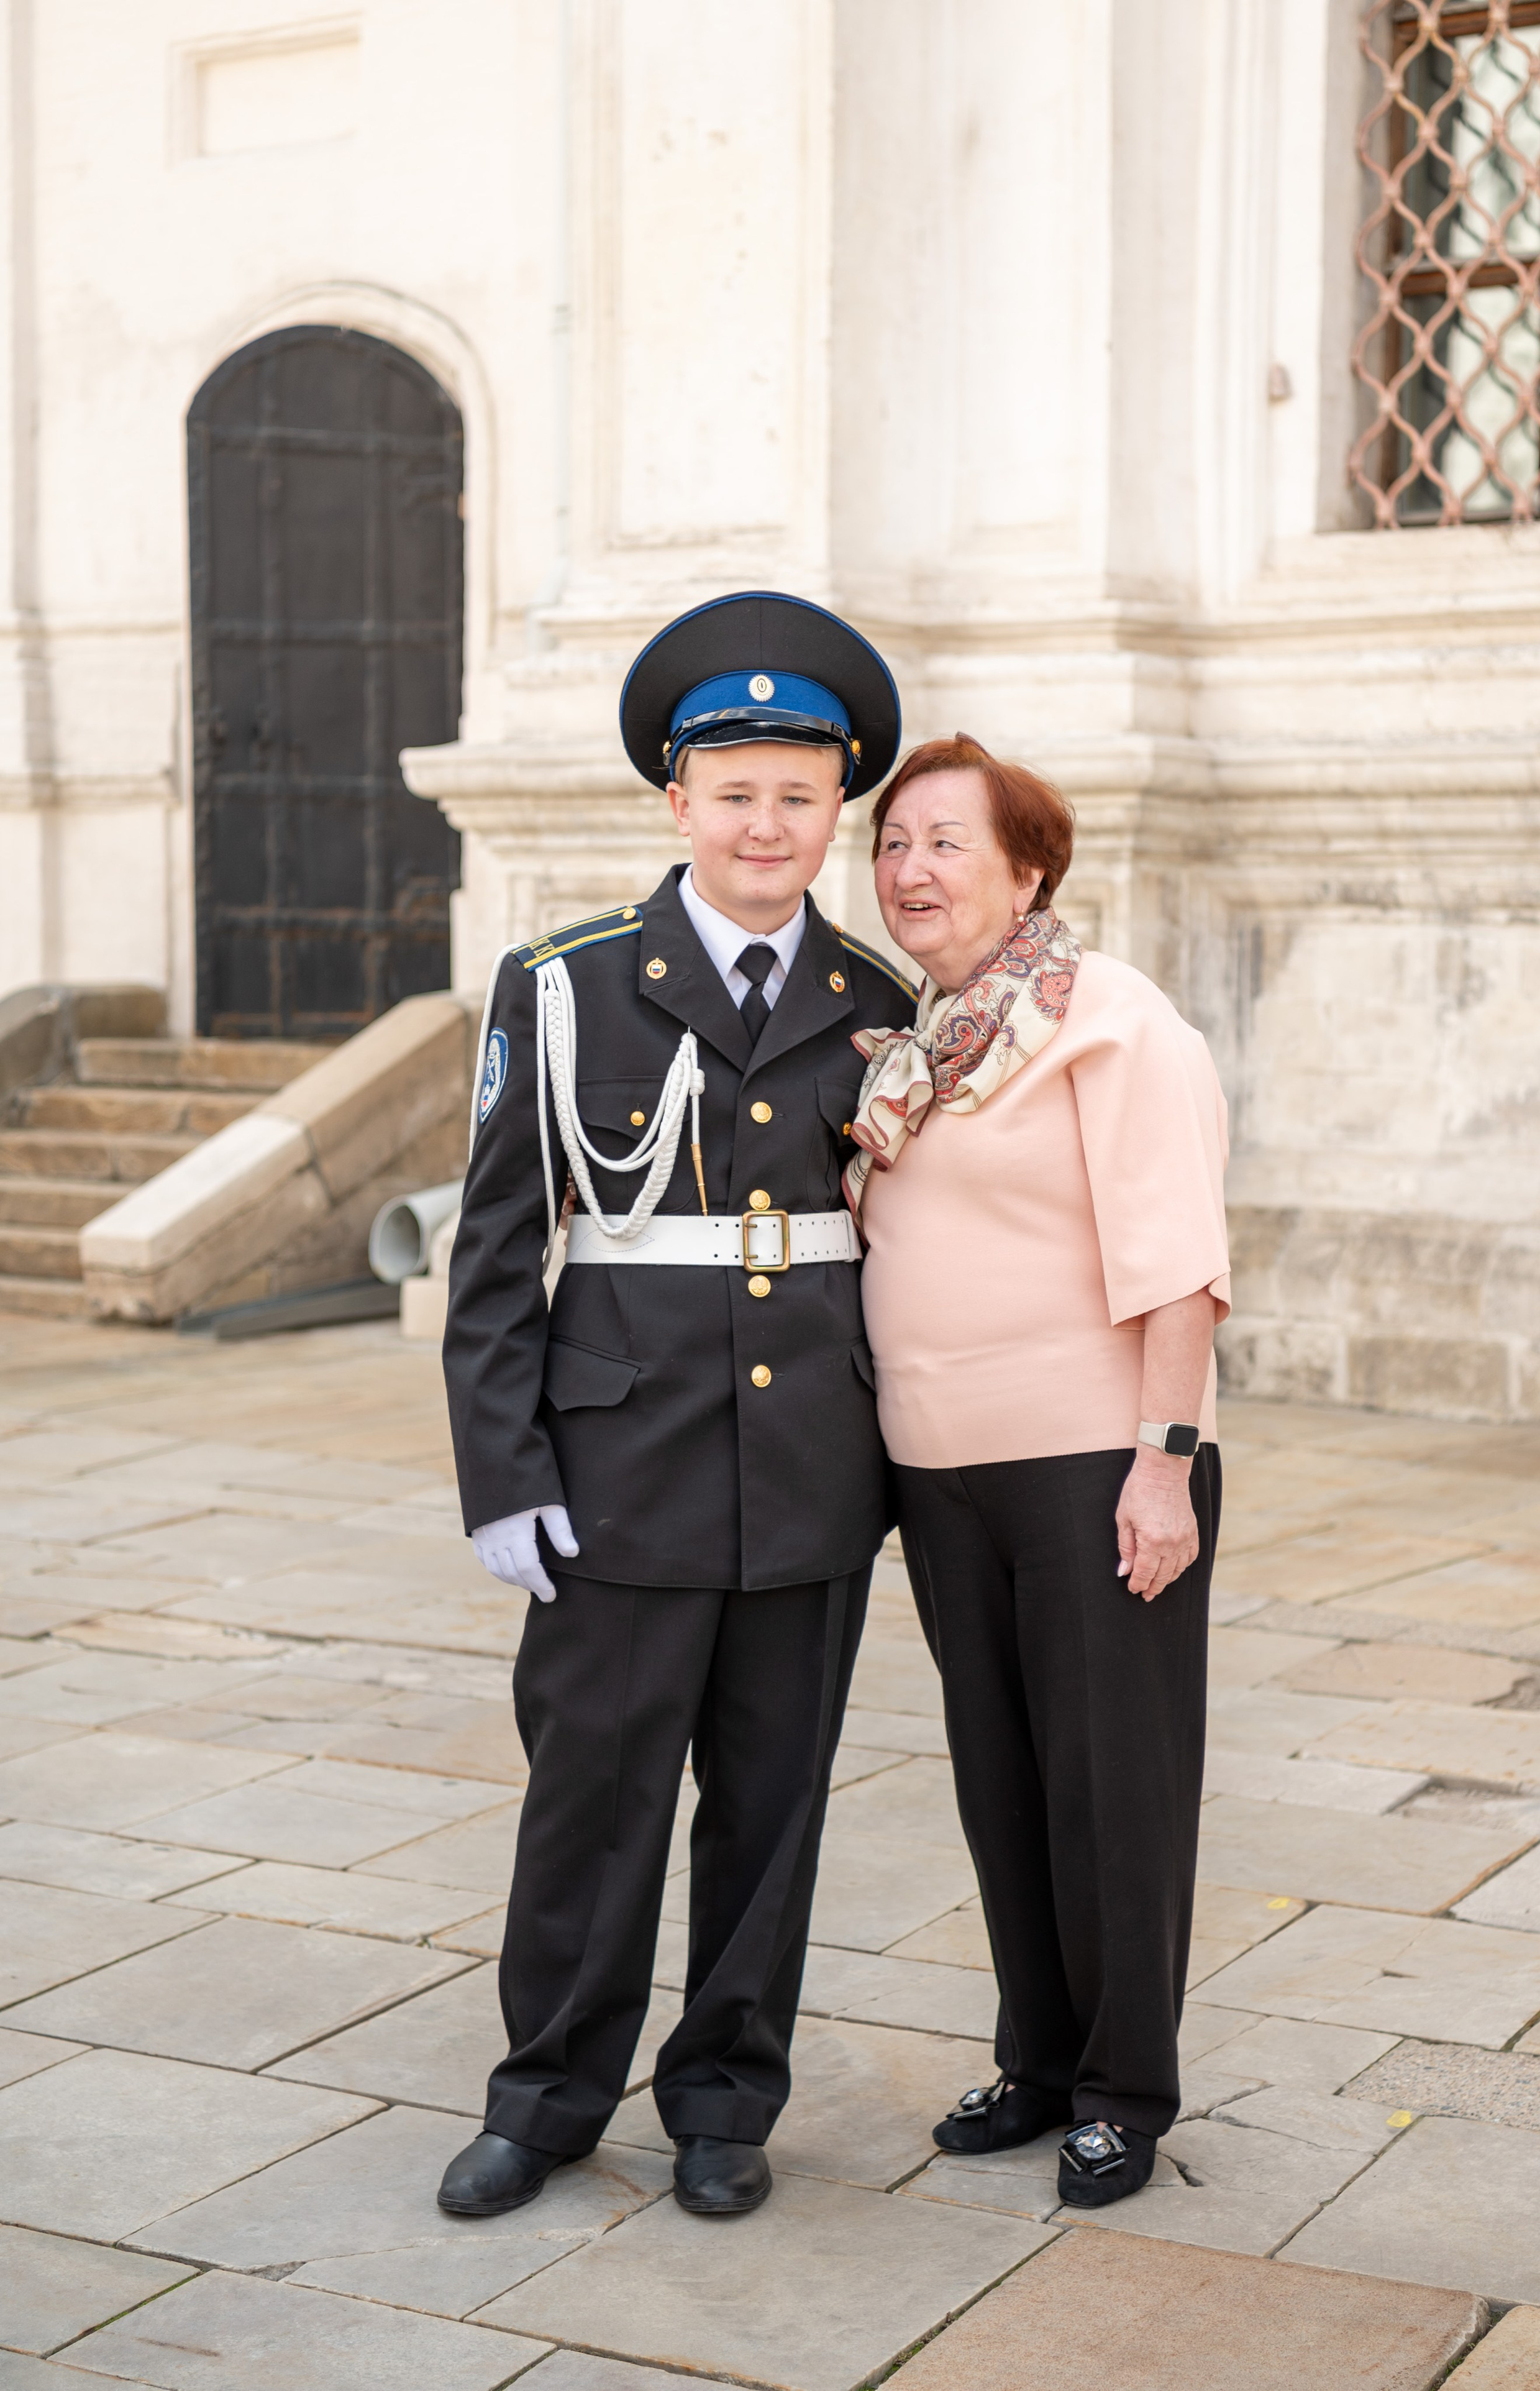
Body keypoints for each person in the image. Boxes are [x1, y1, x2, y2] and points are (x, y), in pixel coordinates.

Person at [435, 591, 918, 2223]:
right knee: (596, 1800)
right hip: (616, 1466)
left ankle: (723, 2098)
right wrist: (503, 1475)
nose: (768, 823)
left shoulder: (881, 1004)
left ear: (834, 808)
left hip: (810, 1480)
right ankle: (548, 2096)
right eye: (736, 793)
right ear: (678, 804)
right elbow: (497, 1258)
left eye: (799, 794)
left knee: (769, 1812)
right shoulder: (567, 988)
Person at [847, 733, 1229, 2210]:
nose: (911, 868)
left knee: (1109, 1787)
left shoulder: (1106, 1021)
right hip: (940, 1473)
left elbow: (1178, 1261)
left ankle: (1125, 2086)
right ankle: (1039, 2056)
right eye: (891, 844)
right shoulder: (918, 1049)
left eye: (947, 840)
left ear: (1027, 869)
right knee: (1001, 1782)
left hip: (1091, 1464)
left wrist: (1163, 1465)